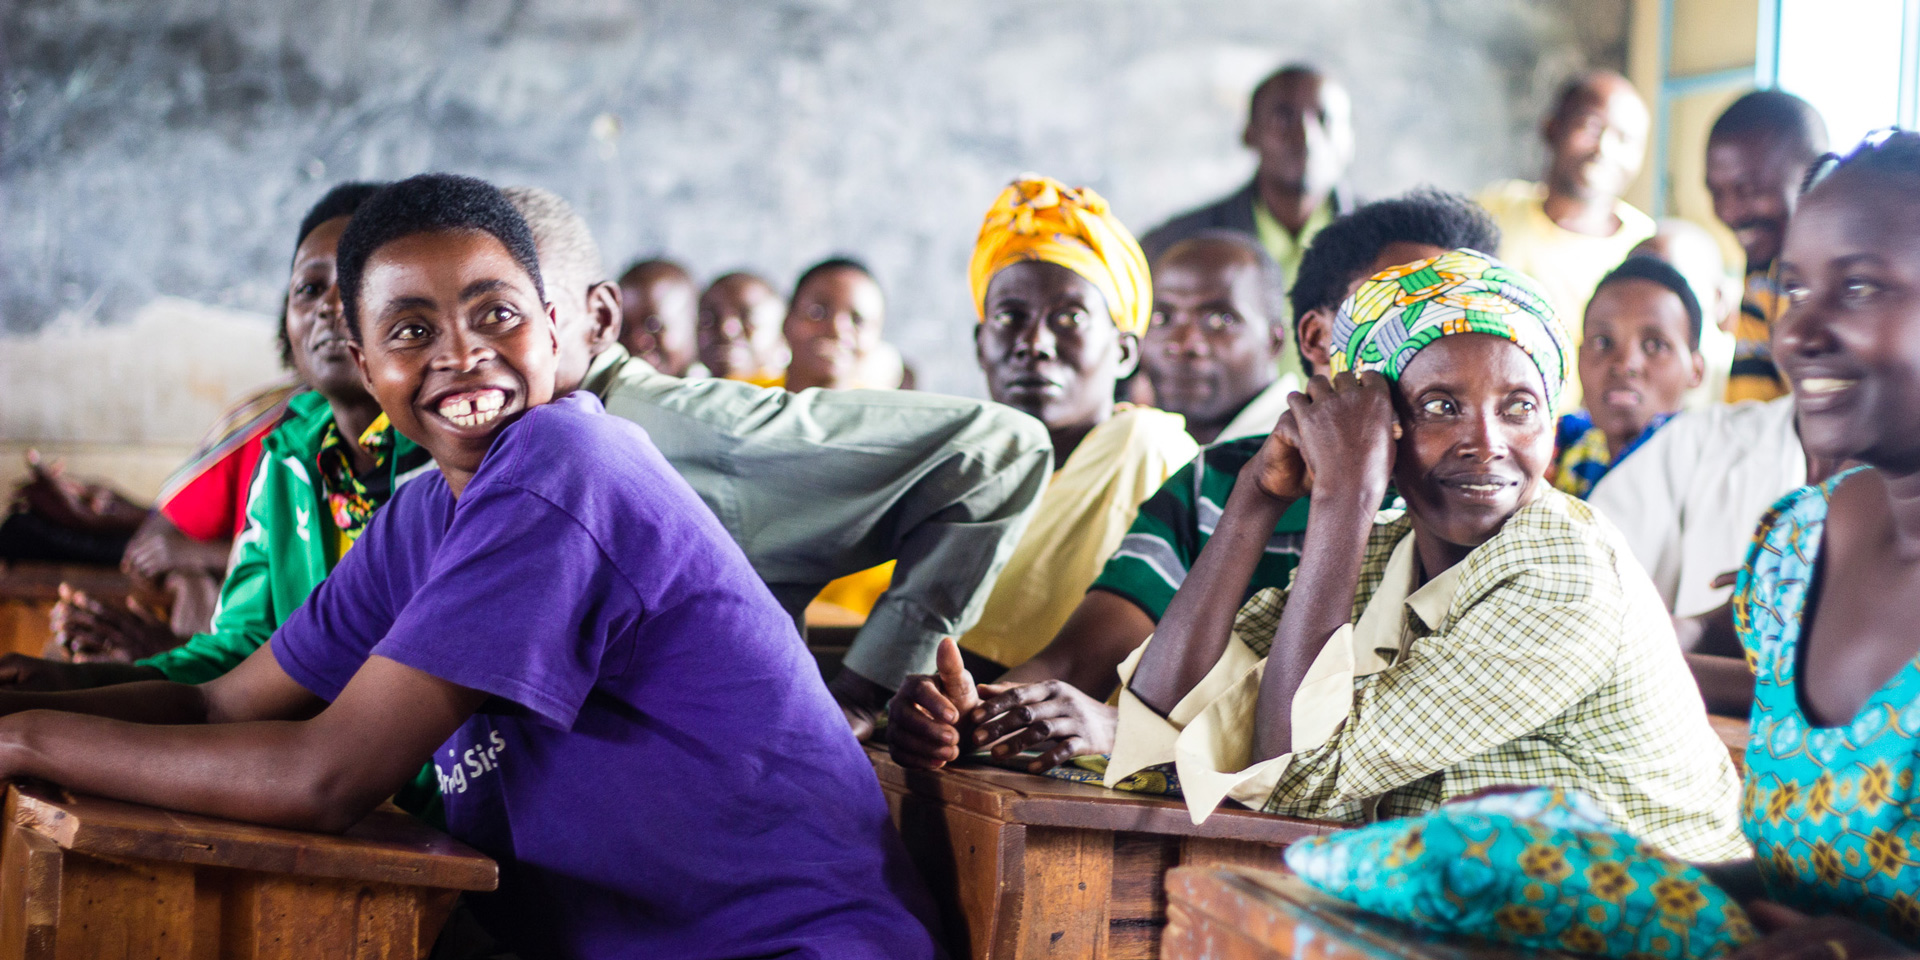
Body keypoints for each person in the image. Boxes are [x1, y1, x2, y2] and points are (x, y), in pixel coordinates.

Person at [0, 174, 941, 960]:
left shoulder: (566, 471)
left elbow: (324, 777)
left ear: (558, 327)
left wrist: (29, 743)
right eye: (410, 330)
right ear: (366, 367)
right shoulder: (421, 514)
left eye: (496, 313)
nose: (461, 353)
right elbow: (224, 702)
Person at [1104, 249, 1745, 863]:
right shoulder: (1387, 554)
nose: (1487, 443)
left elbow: (1299, 785)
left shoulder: (1565, 574)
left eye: (1520, 408)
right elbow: (1154, 732)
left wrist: (1344, 493)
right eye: (1442, 407)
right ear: (1380, 427)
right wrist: (1256, 498)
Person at [888, 189, 1500, 774]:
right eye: (1407, 312)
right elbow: (1086, 659)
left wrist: (1116, 730)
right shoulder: (1221, 479)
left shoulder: (1487, 511)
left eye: (1470, 319)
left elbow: (1315, 761)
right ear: (1317, 340)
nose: (1444, 342)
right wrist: (973, 714)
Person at [520, 187, 1050, 738]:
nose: (462, 351)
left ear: (600, 316)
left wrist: (865, 690)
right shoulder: (510, 447)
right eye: (419, 326)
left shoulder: (681, 431)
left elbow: (1000, 448)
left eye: (507, 311)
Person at [16, 184, 429, 681]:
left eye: (356, 283)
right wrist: (76, 683)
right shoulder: (286, 455)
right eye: (309, 289)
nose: (329, 307)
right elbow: (243, 648)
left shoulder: (445, 459)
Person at [1716, 130, 1920, 957]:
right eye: (1794, 289)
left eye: (1860, 286)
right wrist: (1612, 872)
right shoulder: (1795, 548)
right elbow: (1801, 877)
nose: (1798, 333)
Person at [948, 175, 1197, 677]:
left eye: (1069, 319)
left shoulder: (1150, 450)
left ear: (1125, 352)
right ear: (980, 344)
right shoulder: (959, 465)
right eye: (1009, 317)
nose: (1034, 342)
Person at [1140, 64, 1356, 385]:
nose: (1306, 137)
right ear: (1248, 134)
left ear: (1348, 138)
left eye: (1324, 120)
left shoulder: (1391, 244)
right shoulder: (1176, 244)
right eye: (1283, 118)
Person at [1479, 70, 1654, 406]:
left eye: (1626, 140)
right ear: (1552, 129)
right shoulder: (1492, 212)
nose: (1605, 149)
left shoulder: (1647, 250)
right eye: (1591, 127)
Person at [1705, 90, 1830, 403]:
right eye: (1716, 193)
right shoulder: (1764, 275)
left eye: (1750, 190)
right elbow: (1750, 413)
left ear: (1817, 174)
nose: (1729, 212)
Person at [1550, 256, 1705, 498]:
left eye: (1655, 345)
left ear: (1696, 371)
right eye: (1602, 342)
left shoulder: (1713, 473)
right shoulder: (1548, 454)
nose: (1624, 364)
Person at [1141, 232, 1295, 444]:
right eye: (1161, 318)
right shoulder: (1139, 447)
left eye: (1219, 321)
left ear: (1274, 341)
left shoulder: (1312, 454)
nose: (1181, 344)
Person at [782, 257, 905, 391]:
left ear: (878, 335)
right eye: (818, 312)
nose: (836, 329)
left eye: (858, 321)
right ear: (787, 319)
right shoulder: (757, 398)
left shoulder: (880, 410)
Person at [696, 270, 788, 386]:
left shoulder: (794, 400)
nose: (726, 330)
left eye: (748, 319)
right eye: (708, 318)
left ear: (784, 331)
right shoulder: (682, 396)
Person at [614, 258, 700, 377]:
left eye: (653, 326)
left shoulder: (724, 392)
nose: (636, 342)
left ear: (694, 325)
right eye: (624, 329)